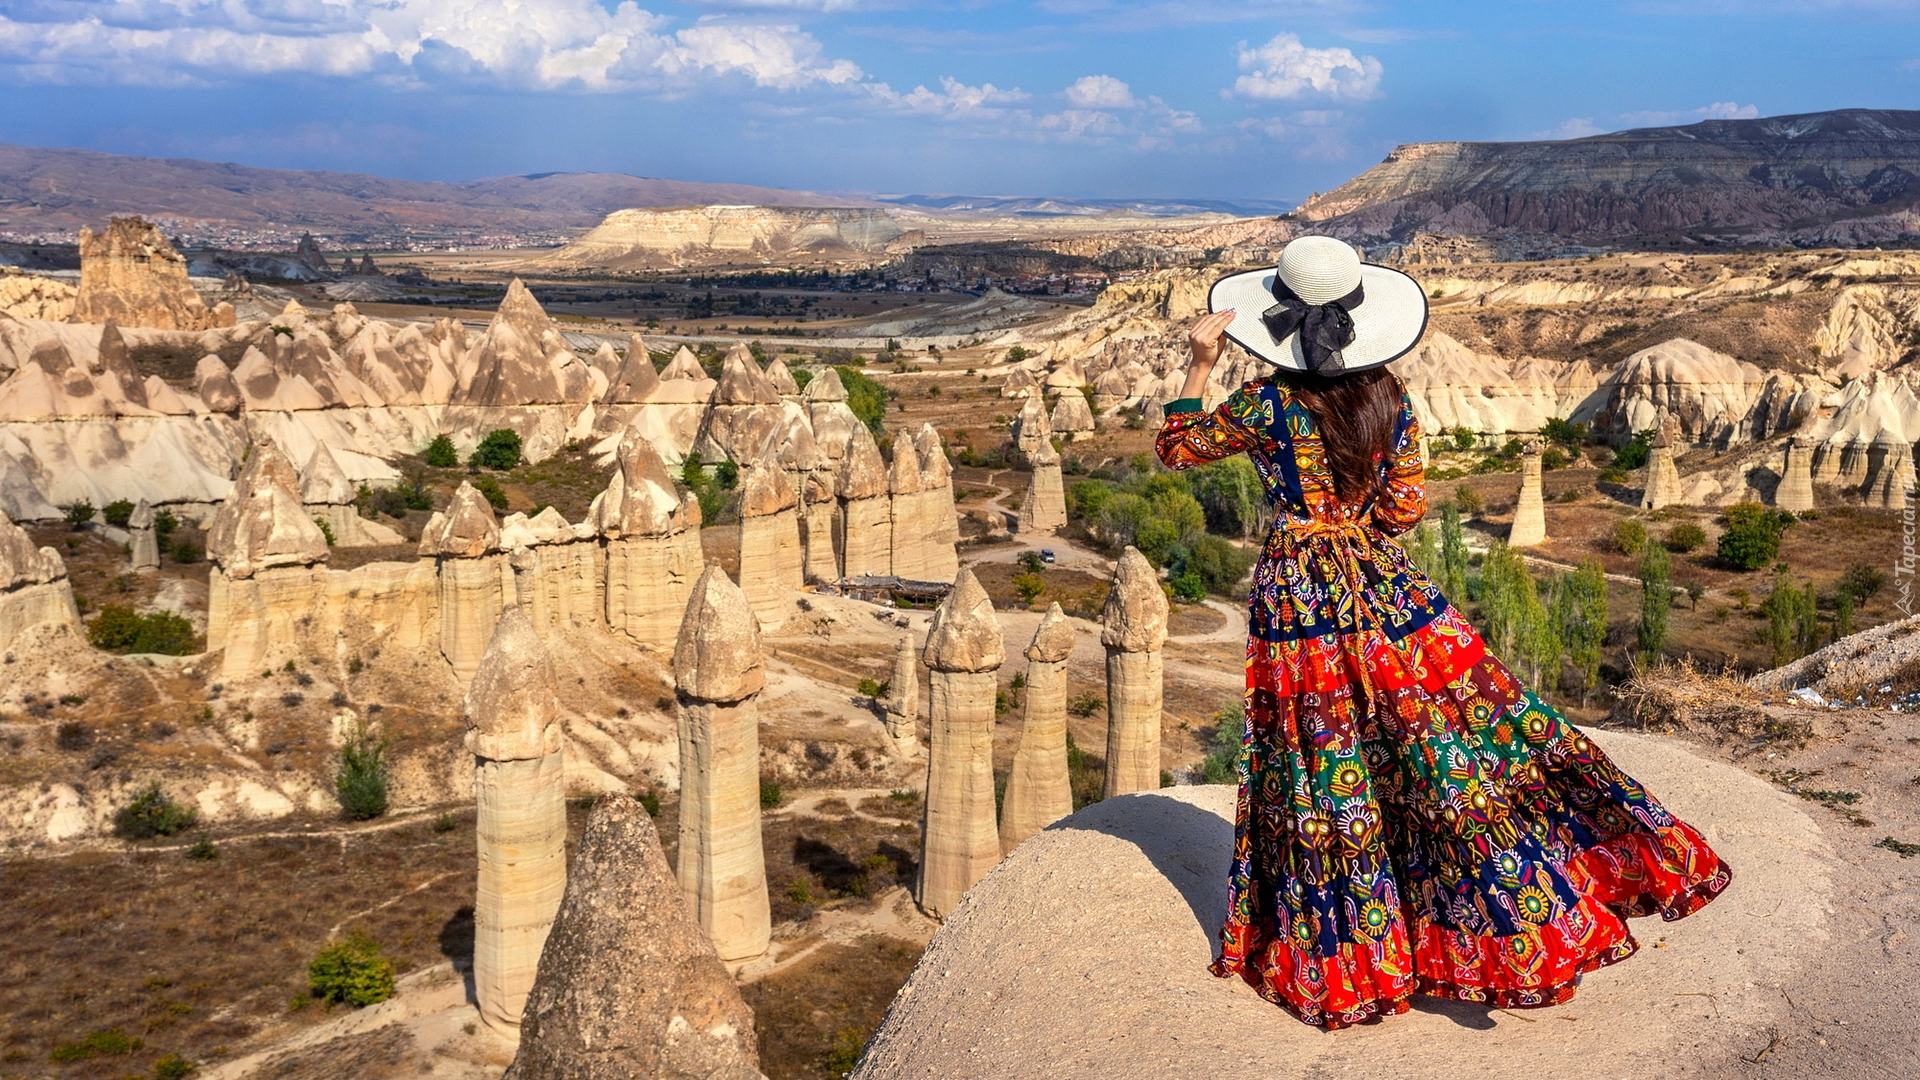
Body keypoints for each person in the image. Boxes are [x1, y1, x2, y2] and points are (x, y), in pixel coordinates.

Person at [1155, 236, 1730, 1029]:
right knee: (1444, 739)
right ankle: (1519, 910)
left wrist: (1197, 366)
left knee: (1324, 758)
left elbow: (1177, 449)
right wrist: (1354, 517)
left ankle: (1354, 949)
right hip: (1388, 587)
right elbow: (1403, 512)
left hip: (1299, 600)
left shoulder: (1264, 404)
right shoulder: (1392, 401)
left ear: (1278, 325)